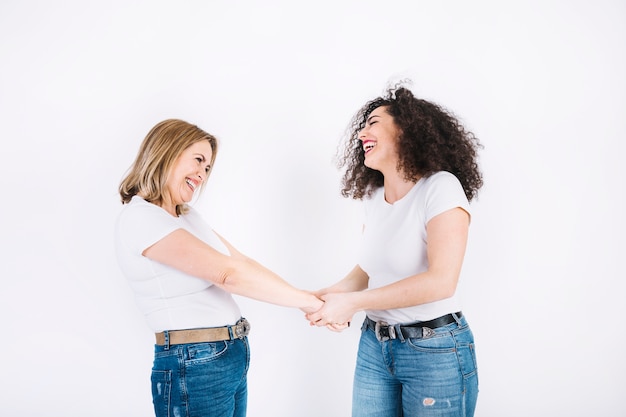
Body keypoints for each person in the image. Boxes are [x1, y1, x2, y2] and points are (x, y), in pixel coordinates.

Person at [115, 119, 323, 417]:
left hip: (226, 355)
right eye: (198, 160)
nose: (202, 174)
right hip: (194, 361)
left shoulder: (187, 216)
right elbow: (228, 275)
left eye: (207, 167)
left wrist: (305, 297)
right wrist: (310, 304)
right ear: (167, 152)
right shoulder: (141, 218)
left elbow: (239, 262)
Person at [306, 83, 483, 417]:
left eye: (373, 122)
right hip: (375, 346)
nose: (361, 133)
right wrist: (332, 295)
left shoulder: (441, 187)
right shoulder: (374, 198)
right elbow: (368, 269)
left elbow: (441, 281)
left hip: (434, 350)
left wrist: (352, 303)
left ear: (406, 129)